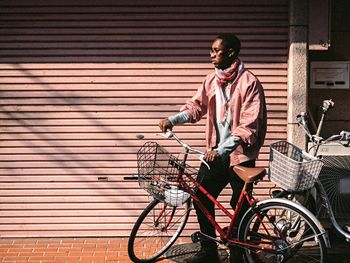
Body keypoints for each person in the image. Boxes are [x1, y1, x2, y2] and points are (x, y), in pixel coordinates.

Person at [159, 33, 267, 263]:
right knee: (201, 198)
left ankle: (239, 254)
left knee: (241, 207)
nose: (211, 55)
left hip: (240, 155)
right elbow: (196, 107)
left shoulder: (250, 83)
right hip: (214, 154)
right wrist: (173, 119)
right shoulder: (212, 80)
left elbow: (248, 125)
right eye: (211, 50)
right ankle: (208, 252)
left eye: (216, 51)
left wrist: (223, 150)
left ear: (231, 53)